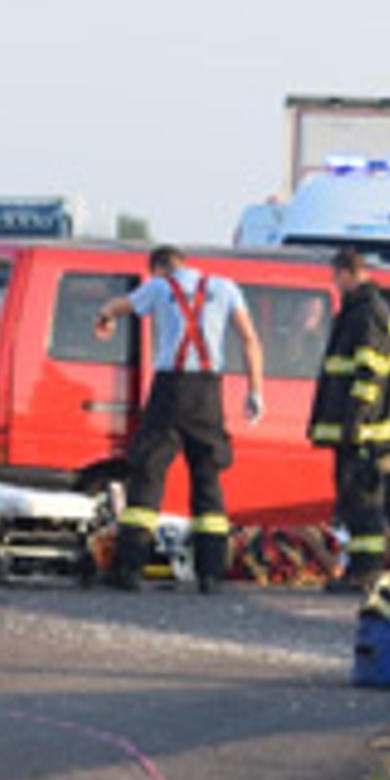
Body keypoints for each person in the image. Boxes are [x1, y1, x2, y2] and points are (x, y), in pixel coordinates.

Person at [93, 246, 264, 592]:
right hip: (207, 392)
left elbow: (117, 306)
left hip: (169, 390)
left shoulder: (159, 287)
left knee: (149, 474)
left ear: (158, 268)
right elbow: (249, 338)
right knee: (207, 480)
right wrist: (255, 391)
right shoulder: (225, 287)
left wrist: (105, 317)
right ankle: (210, 574)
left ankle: (129, 568)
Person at [309, 247, 390, 585]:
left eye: (336, 277)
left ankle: (366, 572)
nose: (335, 284)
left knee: (364, 504)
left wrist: (356, 421)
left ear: (347, 273)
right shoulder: (360, 310)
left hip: (366, 432)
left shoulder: (367, 312)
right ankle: (358, 570)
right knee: (354, 503)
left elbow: (370, 374)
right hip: (359, 430)